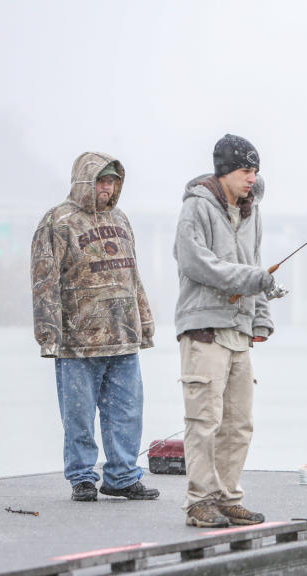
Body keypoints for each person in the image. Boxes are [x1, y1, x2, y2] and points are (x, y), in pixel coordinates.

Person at [31, 152, 160, 502]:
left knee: (128, 412)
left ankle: (121, 476)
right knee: (78, 416)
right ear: (85, 181)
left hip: (123, 338)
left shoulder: (121, 219)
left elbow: (133, 277)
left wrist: (144, 323)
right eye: (102, 180)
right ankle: (82, 477)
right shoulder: (57, 221)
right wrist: (48, 334)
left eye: (113, 181)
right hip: (78, 343)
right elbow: (44, 282)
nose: (107, 187)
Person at [174, 134, 287, 528]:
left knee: (238, 423)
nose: (251, 179)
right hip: (204, 329)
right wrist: (253, 279)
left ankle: (226, 497)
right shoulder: (197, 208)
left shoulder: (252, 211)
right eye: (244, 170)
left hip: (239, 332)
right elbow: (196, 264)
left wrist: (261, 318)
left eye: (255, 171)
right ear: (224, 171)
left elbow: (253, 264)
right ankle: (199, 502)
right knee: (204, 421)